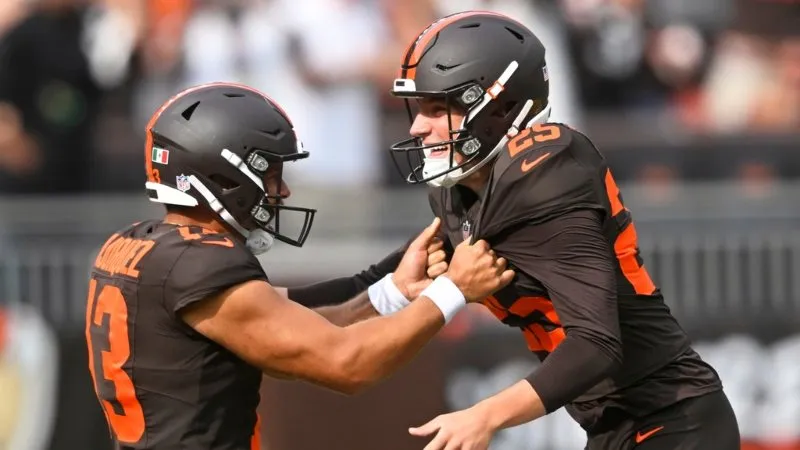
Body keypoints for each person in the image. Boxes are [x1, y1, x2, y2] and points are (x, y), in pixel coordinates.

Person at [286, 11, 741, 450]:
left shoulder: (546, 176)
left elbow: (597, 343)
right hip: (614, 428)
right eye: (419, 107)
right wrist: (265, 300)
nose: (419, 126)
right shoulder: (463, 190)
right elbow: (375, 285)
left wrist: (485, 415)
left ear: (499, 106)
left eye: (438, 108)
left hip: (674, 421)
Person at [83, 82, 514, 450]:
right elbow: (347, 363)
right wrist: (452, 291)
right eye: (270, 173)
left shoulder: (135, 245)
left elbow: (291, 321)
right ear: (224, 177)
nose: (283, 191)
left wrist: (393, 291)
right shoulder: (200, 264)